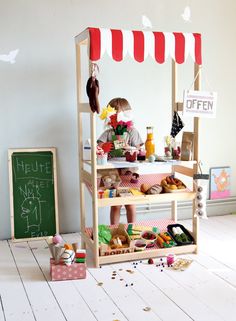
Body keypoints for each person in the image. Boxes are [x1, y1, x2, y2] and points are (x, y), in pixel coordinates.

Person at [97, 97, 143, 225]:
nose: (117, 119)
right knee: (115, 204)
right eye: (114, 115)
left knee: (130, 203)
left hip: (129, 172)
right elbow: (99, 146)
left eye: (121, 115)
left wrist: (130, 148)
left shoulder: (132, 131)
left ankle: (132, 229)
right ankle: (114, 229)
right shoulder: (108, 133)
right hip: (112, 173)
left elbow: (139, 149)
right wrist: (106, 146)